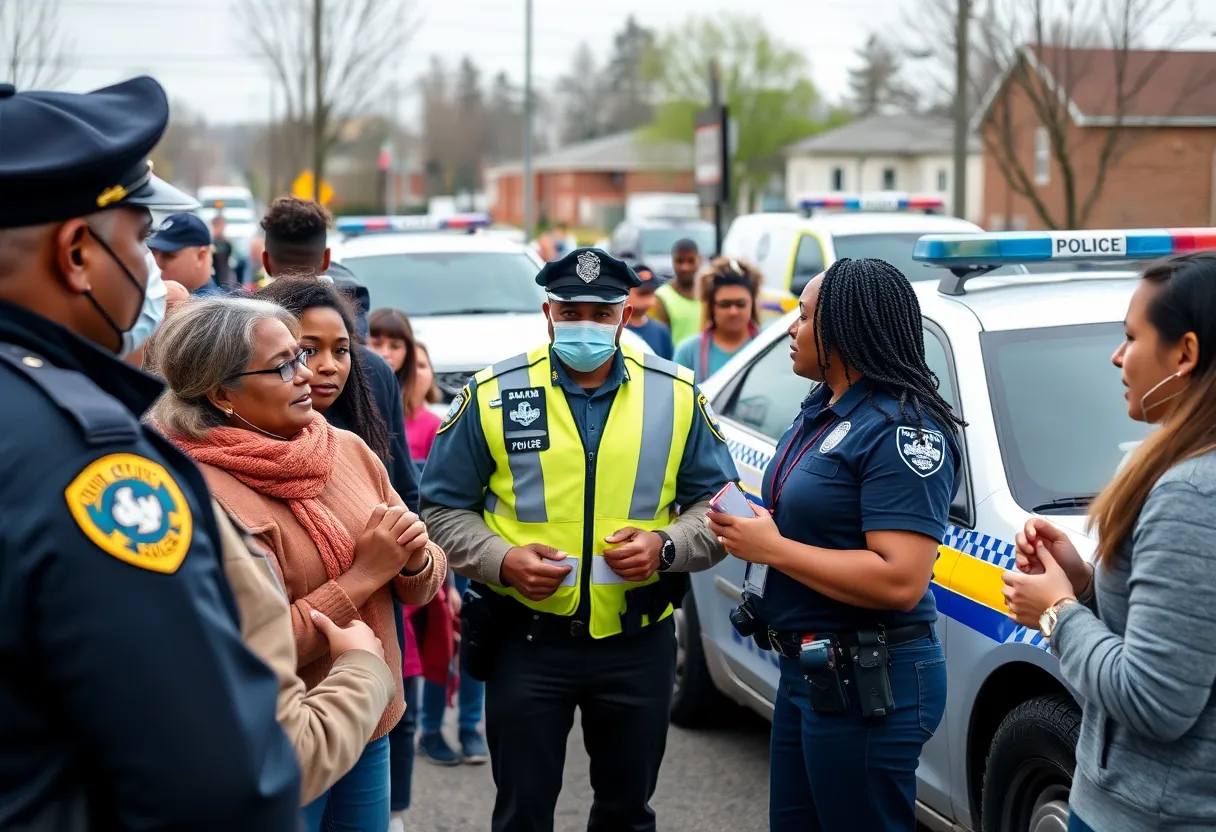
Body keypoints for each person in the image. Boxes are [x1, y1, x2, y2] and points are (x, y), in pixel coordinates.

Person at [0, 75, 301, 829]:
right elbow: (214, 787)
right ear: (76, 252)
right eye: (138, 239)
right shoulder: (91, 465)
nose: (151, 268)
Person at [421, 247, 738, 831]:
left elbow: (721, 510)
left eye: (601, 311)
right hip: (526, 639)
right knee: (521, 814)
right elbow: (440, 509)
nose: (585, 324)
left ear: (625, 315)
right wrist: (502, 558)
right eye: (571, 312)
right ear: (547, 311)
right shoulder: (493, 392)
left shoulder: (675, 393)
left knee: (625, 814)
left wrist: (666, 546)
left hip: (637, 643)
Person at [150, 296, 447, 832]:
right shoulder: (196, 493)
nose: (307, 374)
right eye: (284, 364)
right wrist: (363, 576)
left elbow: (421, 584)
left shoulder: (348, 449)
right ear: (221, 393)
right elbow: (248, 650)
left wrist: (414, 558)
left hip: (369, 721)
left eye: (301, 356)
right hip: (277, 748)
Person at [707, 258, 962, 832]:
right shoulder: (823, 409)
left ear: (841, 329)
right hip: (810, 671)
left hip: (869, 678)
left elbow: (901, 579)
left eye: (801, 317)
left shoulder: (902, 428)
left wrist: (773, 548)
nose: (790, 330)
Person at [1001, 252, 1216, 832]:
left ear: (1186, 354)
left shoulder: (1192, 495)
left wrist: (1057, 612)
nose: (1117, 356)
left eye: (1131, 337)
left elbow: (1155, 701)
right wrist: (1088, 586)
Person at [259, 195, 420, 510]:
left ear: (266, 262)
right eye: (307, 351)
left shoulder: (372, 370)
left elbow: (404, 491)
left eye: (341, 350)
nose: (326, 367)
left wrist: (419, 557)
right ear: (326, 259)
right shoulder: (245, 362)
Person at [672, 257, 761, 382]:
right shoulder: (689, 352)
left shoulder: (766, 346)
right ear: (711, 306)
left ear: (752, 304)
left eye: (740, 304)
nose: (733, 312)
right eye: (725, 304)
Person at [148, 211, 221, 295]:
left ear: (200, 257)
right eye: (152, 253)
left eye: (167, 255)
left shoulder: (214, 306)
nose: (156, 264)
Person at [651, 237, 702, 345]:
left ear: (700, 260)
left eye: (691, 261)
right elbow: (660, 340)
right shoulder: (662, 297)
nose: (685, 267)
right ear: (673, 261)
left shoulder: (709, 294)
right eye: (680, 261)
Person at [623, 263, 674, 360]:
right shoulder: (616, 330)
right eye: (642, 293)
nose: (647, 300)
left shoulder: (661, 331)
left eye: (650, 293)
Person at [211, 212, 237, 288]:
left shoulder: (227, 243)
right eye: (218, 225)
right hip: (214, 278)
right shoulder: (211, 243)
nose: (221, 228)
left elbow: (232, 260)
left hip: (226, 277)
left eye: (222, 225)